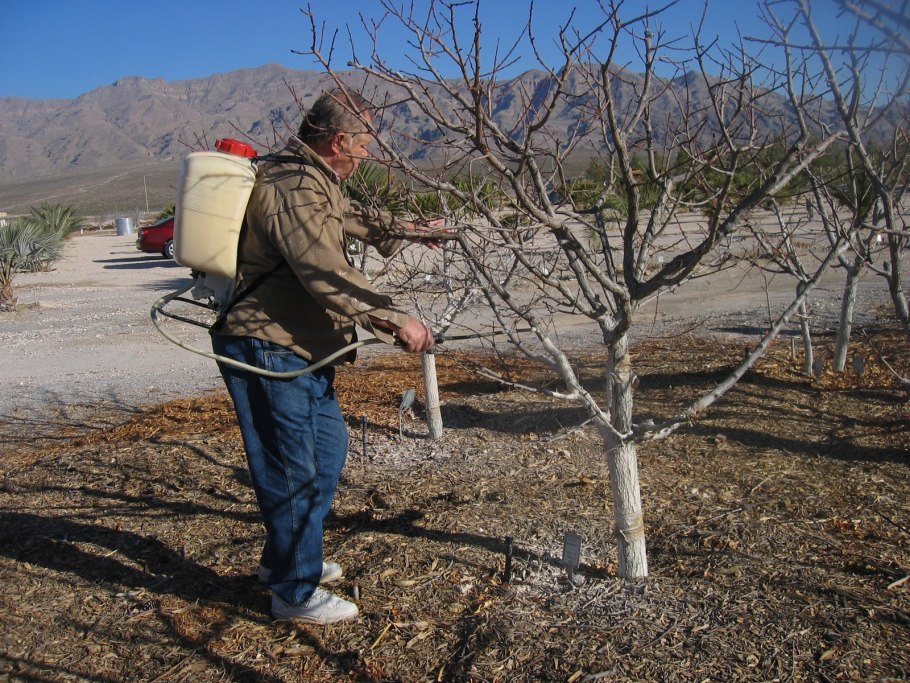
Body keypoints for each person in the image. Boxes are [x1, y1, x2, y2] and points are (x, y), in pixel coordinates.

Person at [211, 89, 435, 625]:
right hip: (268, 346)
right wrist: (392, 317)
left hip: (302, 350)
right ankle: (293, 591)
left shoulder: (314, 178)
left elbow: (348, 214)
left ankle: (283, 561)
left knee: (328, 450)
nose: (367, 155)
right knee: (292, 469)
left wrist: (407, 230)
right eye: (364, 144)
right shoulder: (292, 183)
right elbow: (323, 269)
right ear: (338, 140)